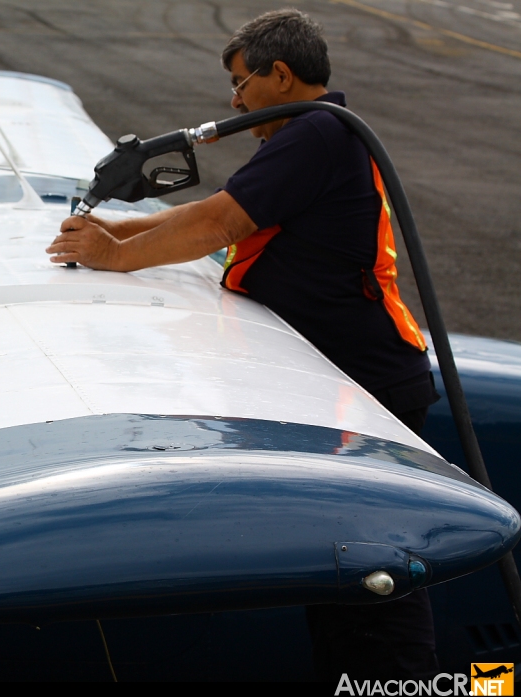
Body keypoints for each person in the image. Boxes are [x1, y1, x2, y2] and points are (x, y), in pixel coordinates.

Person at [46, 8, 441, 681]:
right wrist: (119, 229)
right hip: (350, 378)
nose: (233, 102)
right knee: (342, 578)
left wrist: (117, 258)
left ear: (280, 75)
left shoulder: (316, 133)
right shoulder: (315, 134)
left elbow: (220, 219)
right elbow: (225, 206)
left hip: (367, 386)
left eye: (240, 83)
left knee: (373, 580)